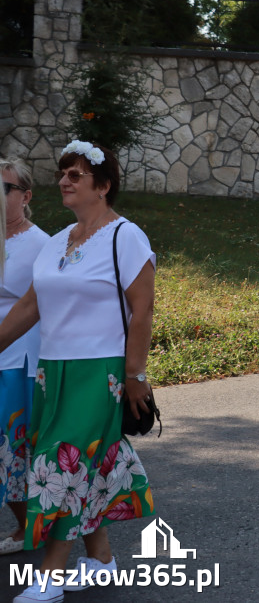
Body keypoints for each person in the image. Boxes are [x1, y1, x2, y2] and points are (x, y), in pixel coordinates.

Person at [0, 141, 155, 602]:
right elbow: (31, 305)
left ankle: (49, 574)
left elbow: (142, 311)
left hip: (100, 373)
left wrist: (135, 375)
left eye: (76, 175)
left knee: (58, 463)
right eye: (62, 173)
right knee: (83, 464)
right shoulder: (56, 241)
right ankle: (102, 559)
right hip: (53, 372)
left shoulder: (125, 236)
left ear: (103, 186)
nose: (64, 181)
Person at [0, 159, 48, 557]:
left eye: (4, 189)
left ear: (25, 196)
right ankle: (28, 521)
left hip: (17, 359)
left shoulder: (41, 245)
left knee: (9, 445)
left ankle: (29, 524)